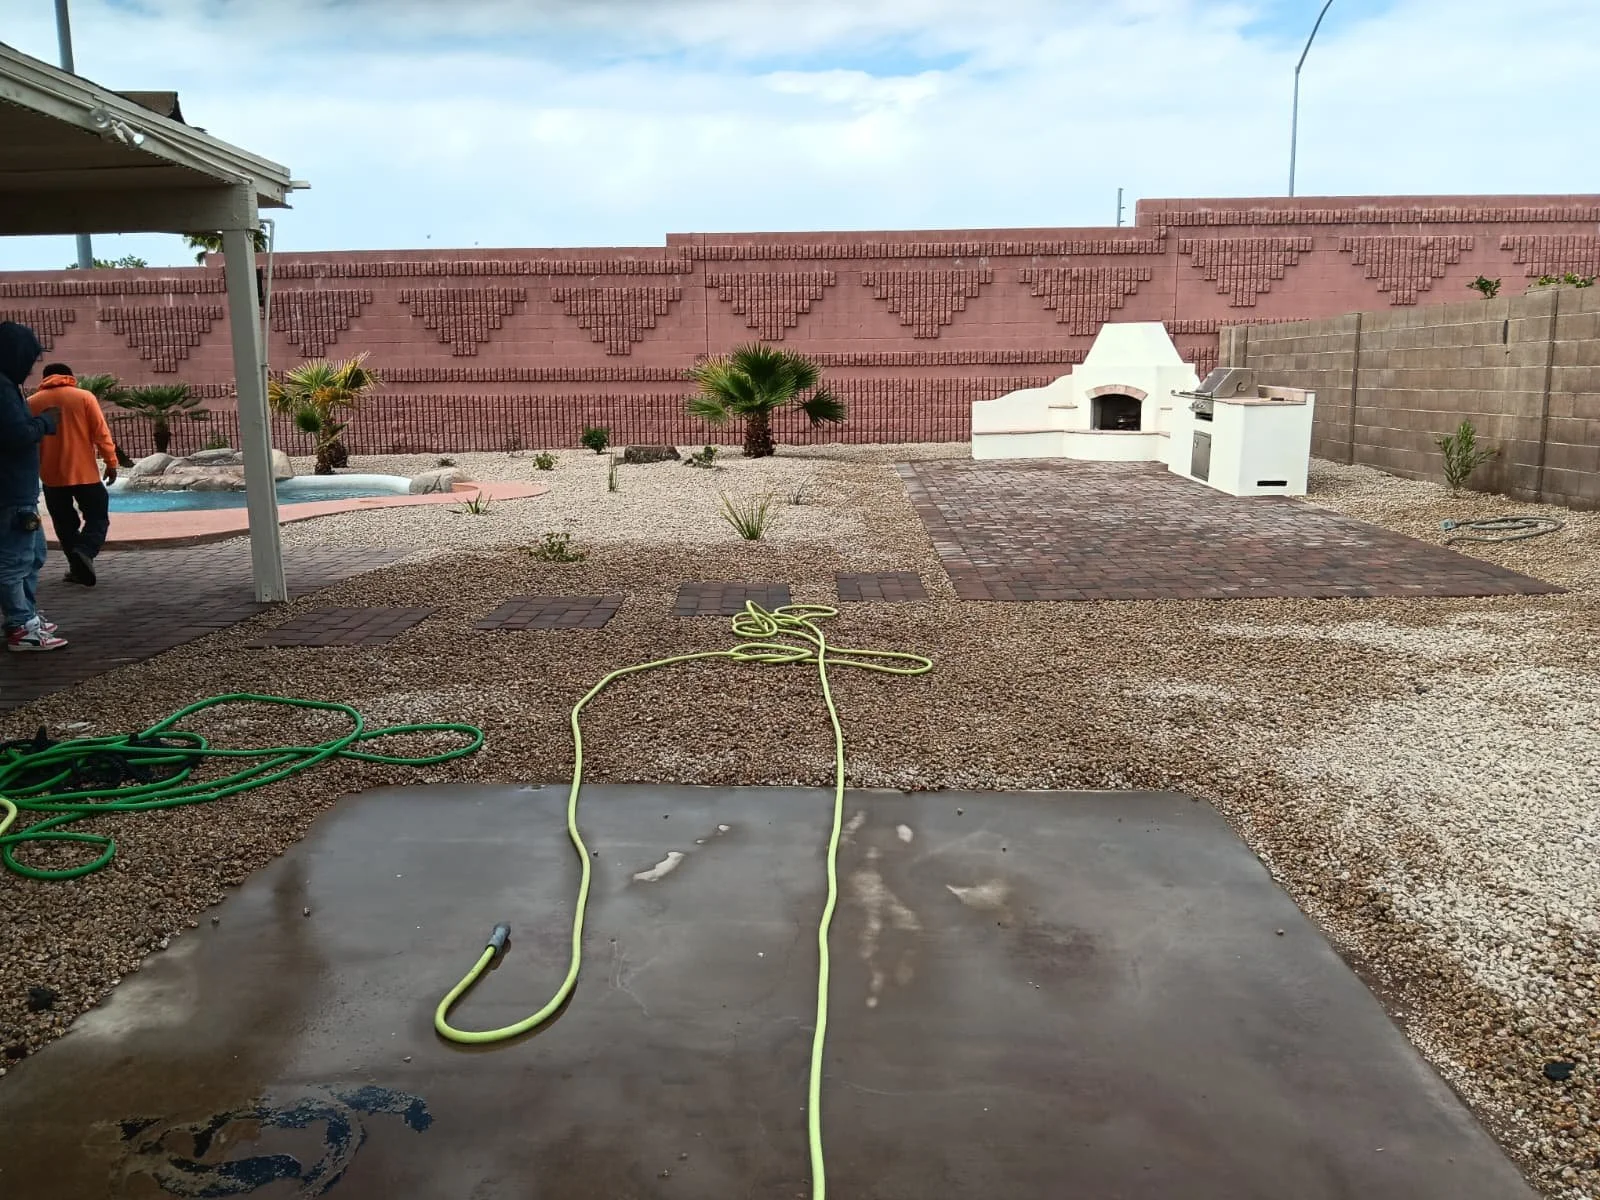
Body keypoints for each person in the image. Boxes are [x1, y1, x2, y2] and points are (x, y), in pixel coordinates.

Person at [0, 321, 66, 651]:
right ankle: (20, 626)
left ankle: (26, 616)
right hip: (12, 493)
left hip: (18, 491)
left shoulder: (7, 386)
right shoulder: (2, 388)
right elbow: (15, 435)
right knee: (15, 561)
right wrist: (44, 423)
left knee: (33, 553)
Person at [29, 361, 118, 587]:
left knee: (64, 523)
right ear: (70, 376)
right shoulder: (84, 397)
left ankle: (77, 568)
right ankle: (85, 551)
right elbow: (100, 432)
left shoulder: (31, 403)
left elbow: (27, 440)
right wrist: (111, 462)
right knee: (97, 517)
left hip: (51, 475)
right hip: (84, 473)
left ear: (44, 378)